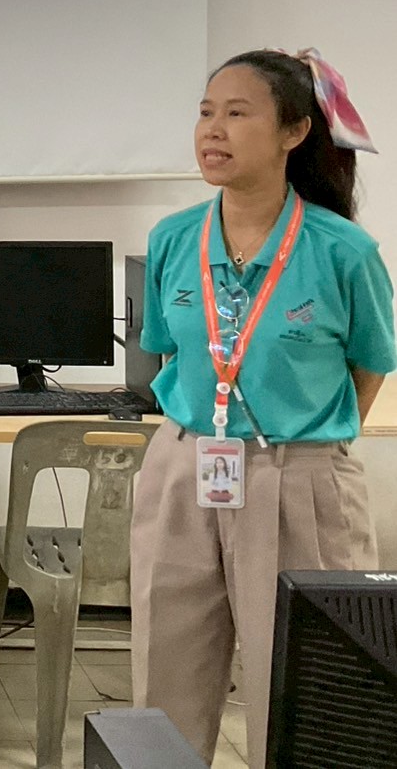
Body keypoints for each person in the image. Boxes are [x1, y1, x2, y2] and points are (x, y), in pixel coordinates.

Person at [132, 48, 394, 768]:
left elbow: (369, 365)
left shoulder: (344, 251)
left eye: (237, 113)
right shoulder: (173, 238)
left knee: (309, 683)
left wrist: (304, 441)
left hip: (297, 476)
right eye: (205, 112)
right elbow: (169, 352)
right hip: (183, 466)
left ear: (293, 132)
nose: (212, 130)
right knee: (165, 675)